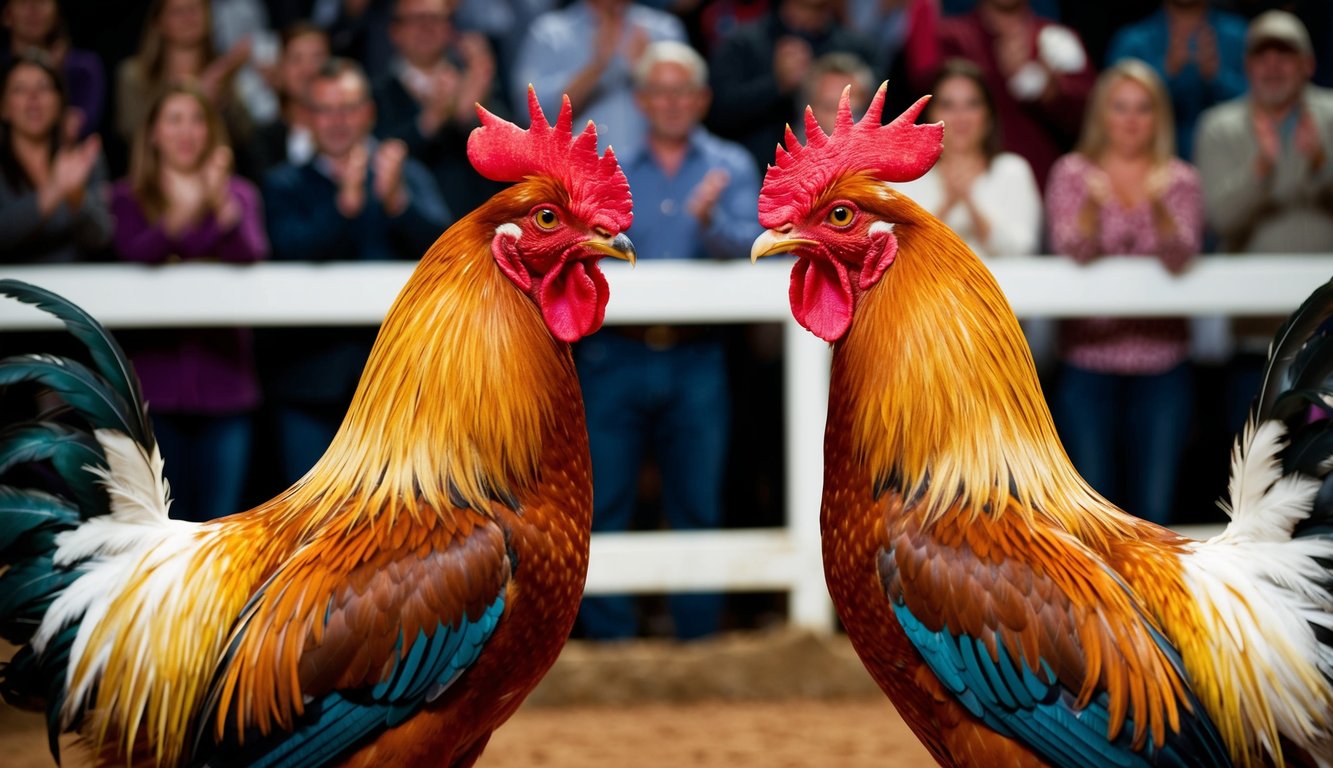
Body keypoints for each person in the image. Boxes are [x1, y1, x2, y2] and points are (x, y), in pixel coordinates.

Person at [575, 41, 761, 641]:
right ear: (640, 99)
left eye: (683, 91)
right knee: (604, 500)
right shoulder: (611, 168)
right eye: (660, 90)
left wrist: (711, 222)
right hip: (615, 353)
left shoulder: (730, 164)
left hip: (698, 354)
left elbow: (757, 247)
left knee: (698, 500)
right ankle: (608, 647)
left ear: (703, 99)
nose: (672, 102)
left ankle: (697, 641)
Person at [260, 57, 450, 487]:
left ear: (369, 111)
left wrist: (398, 202)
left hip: (398, 382)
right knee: (310, 523)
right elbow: (284, 252)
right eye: (326, 109)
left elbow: (449, 251)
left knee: (398, 524)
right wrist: (342, 207)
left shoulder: (405, 175)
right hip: (309, 383)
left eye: (349, 107)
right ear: (306, 118)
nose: (338, 121)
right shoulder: (283, 184)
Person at [1045, 59, 1204, 526]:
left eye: (1143, 108)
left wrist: (1156, 206)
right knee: (1095, 508)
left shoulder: (1179, 179)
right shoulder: (1073, 173)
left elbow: (1183, 253)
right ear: (1101, 115)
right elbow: (1070, 246)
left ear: (1158, 117)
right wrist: (1094, 208)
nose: (1131, 120)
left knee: (1154, 507)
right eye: (1120, 108)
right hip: (1087, 363)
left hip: (1162, 364)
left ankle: (1154, 602)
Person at [108, 82, 269, 522]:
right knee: (161, 528)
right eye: (174, 119)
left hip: (227, 386)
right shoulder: (126, 196)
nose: (187, 131)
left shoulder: (239, 194)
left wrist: (219, 206)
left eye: (197, 120)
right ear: (154, 133)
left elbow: (250, 254)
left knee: (220, 525)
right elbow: (134, 252)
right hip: (152, 392)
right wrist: (188, 208)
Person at [1194, 9, 1333, 430]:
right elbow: (1218, 218)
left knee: (1323, 471)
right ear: (1248, 65)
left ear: (1307, 64)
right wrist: (1260, 171)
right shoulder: (1219, 126)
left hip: (1328, 334)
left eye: (1285, 55)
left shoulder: (1331, 116)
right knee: (1257, 471)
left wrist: (1320, 166)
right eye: (1262, 55)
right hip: (1255, 337)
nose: (1273, 66)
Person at [931, 0, 1097, 189]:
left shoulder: (1059, 40)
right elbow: (929, 112)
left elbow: (1094, 120)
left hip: (1044, 185)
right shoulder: (950, 37)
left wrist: (1049, 90)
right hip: (962, 185)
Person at [889, 58, 1041, 260]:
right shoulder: (905, 175)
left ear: (988, 116)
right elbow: (898, 255)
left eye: (972, 104)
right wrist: (949, 202)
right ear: (930, 116)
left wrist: (971, 204)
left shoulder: (1012, 170)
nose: (961, 117)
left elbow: (1024, 249)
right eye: (948, 105)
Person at [707, 0, 874, 173]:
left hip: (851, 170)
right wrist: (776, 85)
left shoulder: (858, 48)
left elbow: (882, 113)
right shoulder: (743, 44)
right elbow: (716, 113)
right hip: (758, 174)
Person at [373, 0, 504, 215]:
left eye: (435, 18)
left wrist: (471, 113)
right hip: (414, 232)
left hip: (482, 222)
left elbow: (511, 154)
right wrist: (429, 121)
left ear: (450, 29)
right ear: (395, 32)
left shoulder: (478, 82)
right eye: (416, 19)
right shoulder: (378, 94)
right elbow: (380, 154)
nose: (426, 27)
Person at [511, 0, 686, 160]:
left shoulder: (665, 30)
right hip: (577, 179)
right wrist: (596, 68)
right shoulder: (550, 33)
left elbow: (690, 106)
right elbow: (531, 116)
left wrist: (647, 71)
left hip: (653, 173)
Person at [115, 0, 257, 176]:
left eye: (194, 9)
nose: (188, 18)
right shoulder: (135, 76)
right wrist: (199, 93)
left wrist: (220, 100)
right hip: (153, 179)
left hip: (214, 176)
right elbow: (131, 132)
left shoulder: (222, 73)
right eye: (178, 11)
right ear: (159, 21)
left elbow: (245, 133)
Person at [0, 50, 110, 264]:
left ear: (60, 102)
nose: (33, 98)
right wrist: (52, 192)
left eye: (43, 87)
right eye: (20, 89)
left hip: (75, 288)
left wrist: (77, 200)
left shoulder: (83, 157)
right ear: (3, 107)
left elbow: (101, 239)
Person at [1105, 0, 1248, 160]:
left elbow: (1264, 105)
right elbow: (1105, 108)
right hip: (1148, 166)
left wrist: (1217, 77)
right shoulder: (1132, 42)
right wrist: (1166, 71)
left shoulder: (1240, 36)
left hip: (1232, 161)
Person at [1, 0, 105, 140]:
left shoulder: (82, 68)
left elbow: (77, 128)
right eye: (23, 2)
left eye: (42, 1)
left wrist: (56, 73)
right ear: (6, 14)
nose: (33, 10)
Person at [251, 21, 329, 172]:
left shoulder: (352, 128)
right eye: (296, 59)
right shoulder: (260, 142)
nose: (308, 70)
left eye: (317, 58)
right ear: (280, 70)